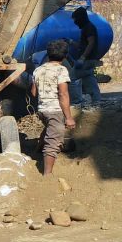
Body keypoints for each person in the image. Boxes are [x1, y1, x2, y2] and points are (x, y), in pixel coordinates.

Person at [32, 40, 77, 176]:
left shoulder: (38, 70)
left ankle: (38, 151)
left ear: (48, 54)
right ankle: (47, 175)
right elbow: (63, 94)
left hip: (42, 109)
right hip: (55, 110)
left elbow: (33, 92)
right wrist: (69, 118)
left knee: (49, 130)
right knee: (53, 141)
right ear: (65, 56)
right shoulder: (61, 70)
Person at [70, 7, 102, 106]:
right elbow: (82, 45)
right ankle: (96, 100)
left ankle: (76, 101)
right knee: (89, 78)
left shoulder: (89, 27)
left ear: (80, 18)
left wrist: (83, 57)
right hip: (89, 58)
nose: (75, 21)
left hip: (87, 59)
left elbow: (91, 43)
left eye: (75, 19)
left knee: (72, 77)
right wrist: (71, 42)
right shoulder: (86, 27)